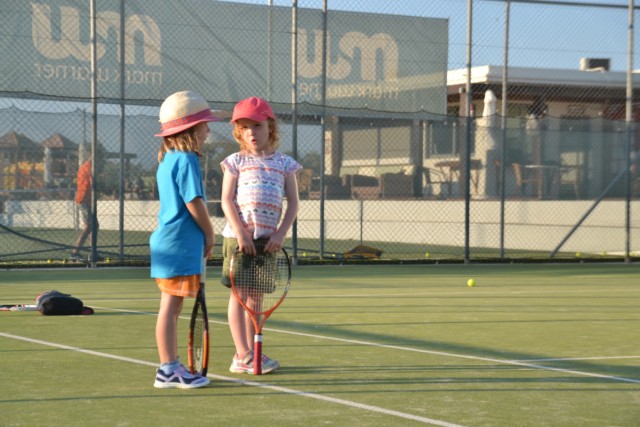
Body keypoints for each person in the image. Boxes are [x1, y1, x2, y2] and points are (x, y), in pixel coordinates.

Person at [220, 97, 301, 374]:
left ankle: (249, 354)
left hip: (267, 242)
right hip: (238, 239)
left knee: (255, 300)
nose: (251, 132)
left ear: (271, 126)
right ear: (239, 132)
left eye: (257, 125)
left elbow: (294, 203)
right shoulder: (235, 161)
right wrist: (241, 233)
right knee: (239, 296)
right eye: (244, 127)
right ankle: (243, 354)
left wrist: (280, 234)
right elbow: (226, 200)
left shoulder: (285, 164)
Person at [150, 91, 219, 389]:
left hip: (168, 243)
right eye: (205, 124)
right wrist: (210, 232)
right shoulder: (188, 160)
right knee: (171, 307)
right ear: (191, 129)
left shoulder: (167, 161)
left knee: (170, 307)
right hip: (178, 245)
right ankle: (168, 369)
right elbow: (193, 202)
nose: (209, 129)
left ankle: (169, 367)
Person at [69, 154, 97, 261]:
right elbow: (92, 182)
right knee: (89, 226)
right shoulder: (90, 167)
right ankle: (75, 252)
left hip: (85, 198)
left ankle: (92, 252)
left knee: (94, 225)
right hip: (85, 199)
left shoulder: (84, 166)